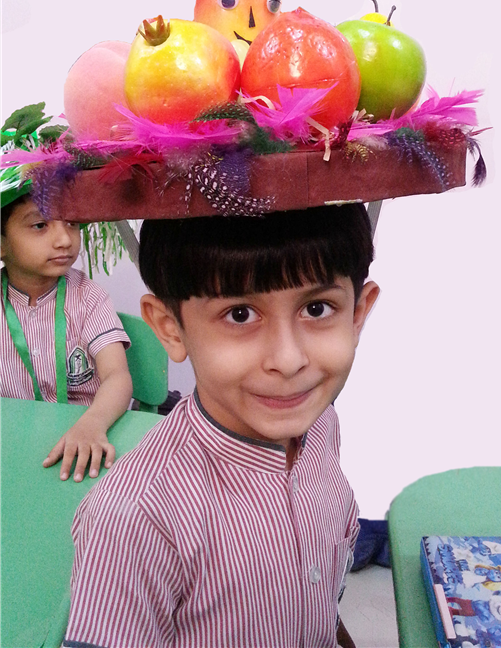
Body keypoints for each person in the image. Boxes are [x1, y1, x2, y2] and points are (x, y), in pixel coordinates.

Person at [64, 203, 380, 648]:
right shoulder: (134, 519)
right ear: (170, 328)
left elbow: (321, 597)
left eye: (316, 308)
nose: (289, 360)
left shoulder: (321, 423)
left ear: (357, 313)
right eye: (240, 314)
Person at [0, 194, 133, 482]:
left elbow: (117, 376)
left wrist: (93, 423)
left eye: (71, 223)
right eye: (40, 225)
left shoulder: (89, 297)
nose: (64, 240)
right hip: (13, 446)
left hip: (90, 437)